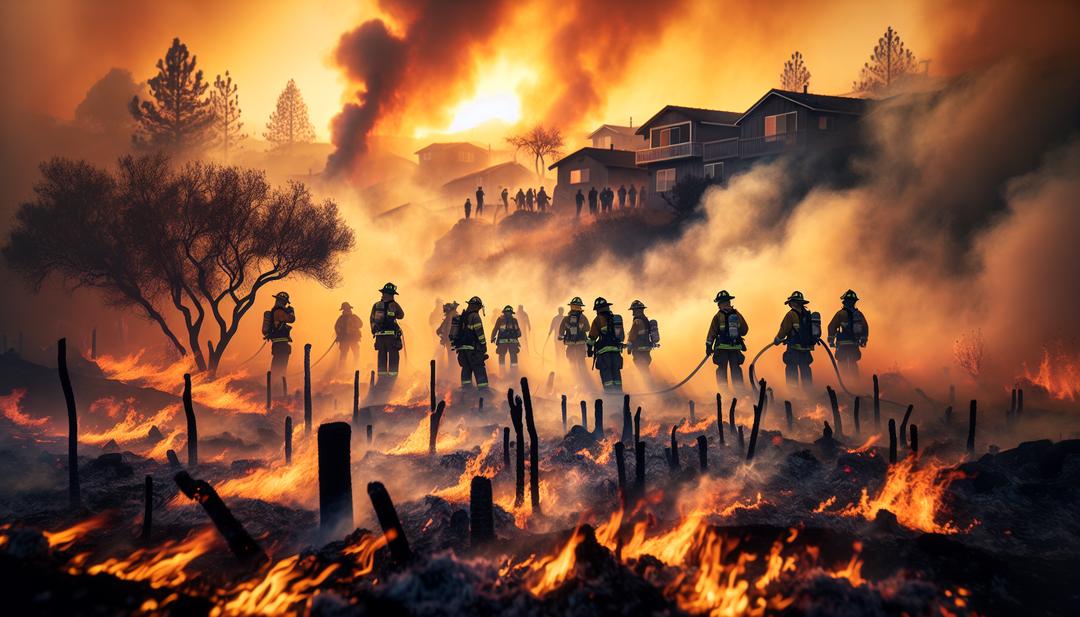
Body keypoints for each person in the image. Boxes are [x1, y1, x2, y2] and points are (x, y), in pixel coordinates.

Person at [773, 291, 818, 389]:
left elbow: (784, 330)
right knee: (805, 369)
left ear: (793, 303)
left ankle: (793, 393)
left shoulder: (791, 315)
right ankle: (809, 391)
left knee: (791, 369)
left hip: (794, 349)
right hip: (806, 349)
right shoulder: (808, 315)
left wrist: (777, 339)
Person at [705, 290, 748, 390]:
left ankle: (725, 393)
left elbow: (712, 332)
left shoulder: (718, 316)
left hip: (721, 348)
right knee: (736, 369)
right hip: (735, 347)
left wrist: (708, 346)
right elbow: (744, 330)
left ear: (720, 304)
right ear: (729, 302)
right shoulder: (737, 314)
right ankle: (739, 391)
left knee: (722, 370)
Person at [828, 289, 869, 380]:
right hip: (854, 344)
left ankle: (844, 382)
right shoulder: (859, 314)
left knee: (842, 363)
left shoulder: (840, 314)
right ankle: (855, 382)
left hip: (842, 344)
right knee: (853, 363)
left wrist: (831, 340)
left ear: (844, 302)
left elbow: (832, 326)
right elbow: (865, 327)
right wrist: (864, 340)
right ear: (855, 302)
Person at [371, 283, 405, 384]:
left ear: (383, 293)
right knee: (393, 357)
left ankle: (382, 380)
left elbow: (371, 319)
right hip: (391, 337)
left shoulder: (376, 305)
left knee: (381, 356)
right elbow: (401, 315)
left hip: (380, 337)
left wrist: (374, 330)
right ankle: (392, 380)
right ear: (391, 294)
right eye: (392, 294)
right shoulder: (394, 305)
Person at [588, 297, 624, 392]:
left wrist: (589, 349)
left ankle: (610, 394)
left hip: (604, 353)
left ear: (597, 309)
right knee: (616, 372)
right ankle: (619, 392)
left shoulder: (597, 320)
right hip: (616, 351)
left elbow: (592, 337)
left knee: (606, 373)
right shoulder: (614, 318)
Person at [453, 296, 489, 391]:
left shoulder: (463, 316)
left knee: (466, 368)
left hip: (461, 349)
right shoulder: (475, 316)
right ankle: (484, 391)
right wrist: (483, 345)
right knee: (479, 368)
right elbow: (480, 333)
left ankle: (466, 391)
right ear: (476, 306)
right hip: (473, 349)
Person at [262, 291, 295, 383]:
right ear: (284, 302)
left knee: (278, 366)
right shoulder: (279, 312)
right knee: (280, 368)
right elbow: (291, 319)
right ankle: (277, 386)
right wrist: (291, 311)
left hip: (278, 345)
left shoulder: (276, 311)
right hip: (282, 346)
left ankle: (276, 385)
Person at [558, 297, 590, 381]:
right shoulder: (583, 318)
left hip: (571, 346)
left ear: (571, 307)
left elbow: (561, 331)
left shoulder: (566, 319)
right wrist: (580, 329)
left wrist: (561, 336)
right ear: (580, 307)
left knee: (572, 362)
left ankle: (575, 380)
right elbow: (588, 328)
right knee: (582, 363)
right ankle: (585, 380)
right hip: (580, 345)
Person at [626, 300, 656, 380]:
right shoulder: (645, 320)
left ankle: (649, 385)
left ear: (638, 310)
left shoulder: (637, 321)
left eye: (634, 310)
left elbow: (632, 335)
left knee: (643, 370)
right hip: (647, 349)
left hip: (639, 350)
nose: (633, 313)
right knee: (645, 368)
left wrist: (629, 346)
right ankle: (651, 384)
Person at [490, 305, 522, 372]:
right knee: (513, 357)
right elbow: (519, 333)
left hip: (502, 342)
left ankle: (503, 373)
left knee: (502, 357)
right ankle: (513, 374)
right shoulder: (514, 320)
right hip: (513, 343)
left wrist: (492, 338)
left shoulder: (500, 320)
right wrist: (516, 338)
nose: (508, 314)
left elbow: (495, 329)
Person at [334, 302, 363, 370]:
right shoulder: (341, 318)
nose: (347, 310)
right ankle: (342, 369)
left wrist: (353, 326)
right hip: (345, 340)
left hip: (353, 339)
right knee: (344, 355)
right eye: (345, 309)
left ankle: (355, 368)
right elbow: (336, 327)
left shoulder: (354, 317)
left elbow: (361, 324)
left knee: (356, 354)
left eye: (347, 309)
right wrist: (339, 333)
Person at [435, 301, 459, 369]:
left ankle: (451, 371)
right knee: (455, 357)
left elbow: (439, 330)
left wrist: (442, 337)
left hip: (449, 341)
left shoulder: (449, 316)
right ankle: (454, 372)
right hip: (457, 341)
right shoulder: (457, 315)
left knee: (451, 357)